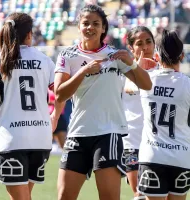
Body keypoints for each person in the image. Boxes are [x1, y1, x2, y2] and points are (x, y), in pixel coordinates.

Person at [54, 4, 152, 200]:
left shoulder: (115, 55)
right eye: (86, 23)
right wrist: (83, 72)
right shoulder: (67, 56)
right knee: (64, 196)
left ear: (103, 28)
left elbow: (146, 84)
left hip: (109, 134)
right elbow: (59, 94)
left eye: (96, 23)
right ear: (79, 26)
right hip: (77, 134)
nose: (90, 27)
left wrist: (131, 62)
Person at [0, 13, 56, 200]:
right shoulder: (45, 60)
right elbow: (59, 94)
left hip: (12, 137)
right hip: (41, 138)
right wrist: (55, 117)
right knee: (24, 196)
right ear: (29, 34)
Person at [137, 29, 190, 200]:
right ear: (182, 56)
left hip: (152, 155)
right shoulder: (188, 85)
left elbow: (127, 87)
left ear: (157, 57)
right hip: (182, 156)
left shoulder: (146, 79)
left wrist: (139, 69)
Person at [122, 26, 157, 200]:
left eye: (148, 42)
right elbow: (129, 89)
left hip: (159, 144)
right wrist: (139, 68)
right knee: (140, 195)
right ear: (131, 47)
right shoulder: (124, 72)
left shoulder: (162, 70)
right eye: (139, 43)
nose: (145, 47)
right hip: (133, 142)